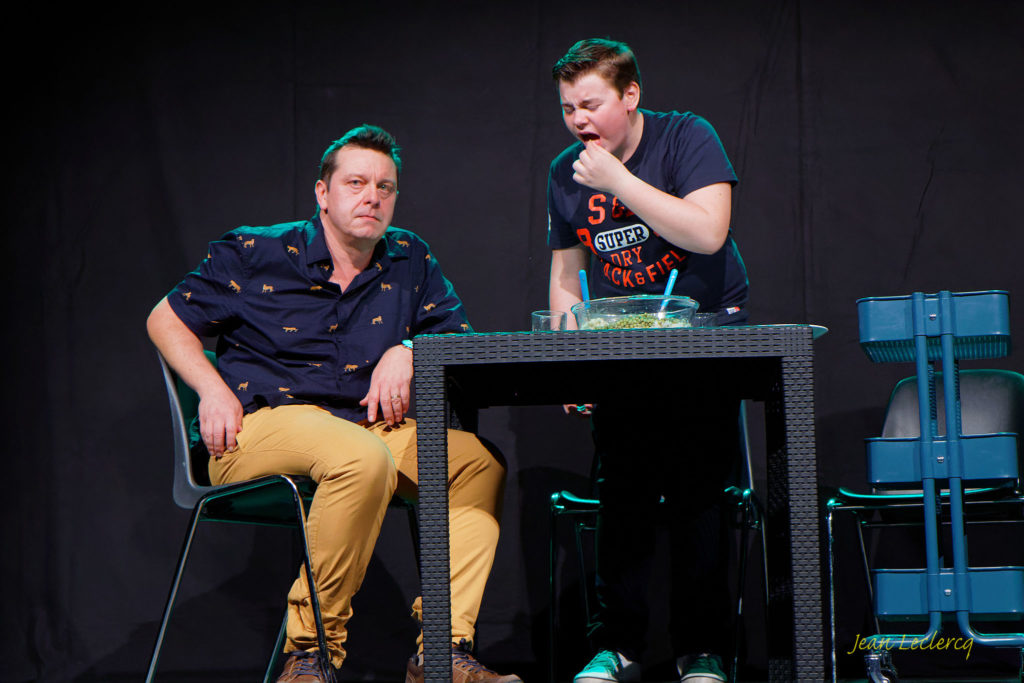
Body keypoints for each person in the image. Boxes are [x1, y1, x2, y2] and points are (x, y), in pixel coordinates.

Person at [147, 125, 521, 683]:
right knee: (359, 457)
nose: (372, 197)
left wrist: (408, 349)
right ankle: (310, 654)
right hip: (260, 427)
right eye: (356, 183)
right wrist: (212, 388)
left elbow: (455, 336)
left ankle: (443, 653)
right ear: (323, 193)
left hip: (365, 428)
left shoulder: (408, 257)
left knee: (475, 464)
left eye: (385, 187)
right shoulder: (255, 252)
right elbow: (165, 318)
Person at [546, 39, 750, 683]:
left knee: (698, 489)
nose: (579, 120)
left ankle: (702, 647)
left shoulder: (686, 136)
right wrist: (571, 358)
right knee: (623, 491)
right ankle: (620, 645)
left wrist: (619, 182)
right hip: (624, 346)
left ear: (630, 96)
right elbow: (566, 277)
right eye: (568, 108)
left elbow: (708, 232)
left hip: (704, 336)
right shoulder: (565, 172)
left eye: (591, 104)